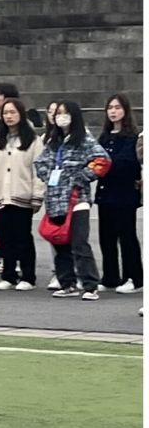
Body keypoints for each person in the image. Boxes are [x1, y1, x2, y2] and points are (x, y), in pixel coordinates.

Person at [35, 101, 111, 299]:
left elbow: (102, 161)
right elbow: (40, 162)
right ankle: (67, 283)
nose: (61, 116)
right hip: (55, 198)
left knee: (79, 243)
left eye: (65, 113)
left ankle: (90, 285)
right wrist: (48, 175)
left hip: (78, 199)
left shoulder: (84, 139)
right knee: (60, 243)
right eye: (58, 113)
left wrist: (80, 177)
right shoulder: (53, 141)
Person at [0, 99, 43, 291]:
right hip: (1, 195)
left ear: (21, 114)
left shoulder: (33, 140)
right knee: (5, 237)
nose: (9, 116)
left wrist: (37, 195)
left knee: (22, 237)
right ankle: (8, 275)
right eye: (5, 113)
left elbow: (38, 170)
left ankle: (28, 276)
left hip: (22, 194)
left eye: (13, 112)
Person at [96, 94, 142, 293]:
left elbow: (128, 163)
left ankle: (134, 277)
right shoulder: (104, 137)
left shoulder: (132, 137)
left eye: (117, 107)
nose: (113, 111)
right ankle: (110, 276)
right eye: (110, 108)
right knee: (106, 237)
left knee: (126, 237)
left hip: (124, 193)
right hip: (105, 192)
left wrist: (106, 164)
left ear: (125, 110)